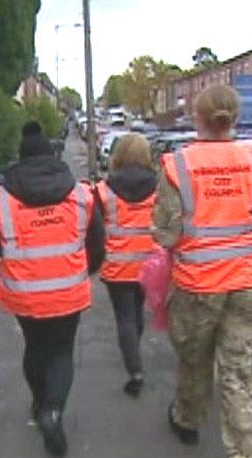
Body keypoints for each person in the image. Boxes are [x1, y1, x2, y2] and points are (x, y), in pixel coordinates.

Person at [153, 84, 252, 458]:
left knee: (193, 358)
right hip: (247, 284)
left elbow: (167, 235)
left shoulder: (177, 166)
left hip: (197, 285)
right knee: (240, 374)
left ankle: (189, 421)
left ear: (198, 117)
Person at [0, 121, 105, 458]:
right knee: (62, 351)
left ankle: (39, 403)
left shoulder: (1, 198)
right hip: (68, 289)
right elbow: (97, 245)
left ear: (19, 159)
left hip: (23, 291)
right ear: (52, 155)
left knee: (35, 347)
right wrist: (81, 271)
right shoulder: (80, 194)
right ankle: (53, 411)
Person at [94, 134, 159, 396]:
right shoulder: (159, 186)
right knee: (138, 313)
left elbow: (97, 230)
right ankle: (135, 352)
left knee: (125, 318)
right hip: (149, 264)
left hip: (118, 266)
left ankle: (135, 370)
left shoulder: (103, 189)